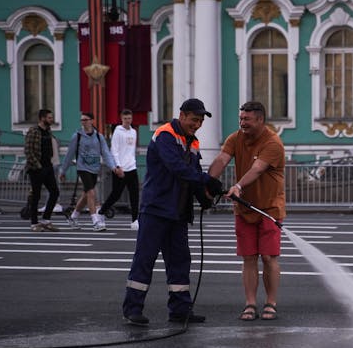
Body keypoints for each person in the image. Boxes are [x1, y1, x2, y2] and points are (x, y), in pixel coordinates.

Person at [122, 98, 223, 326]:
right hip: (156, 209)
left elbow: (193, 173)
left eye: (200, 122)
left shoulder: (192, 142)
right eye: (194, 120)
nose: (196, 125)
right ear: (182, 115)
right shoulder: (165, 135)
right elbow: (177, 168)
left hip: (177, 213)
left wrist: (204, 196)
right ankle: (132, 309)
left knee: (180, 261)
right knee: (145, 259)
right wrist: (208, 179)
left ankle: (180, 310)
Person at [208, 101, 285, 322]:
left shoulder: (273, 142)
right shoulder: (235, 138)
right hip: (244, 208)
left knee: (269, 257)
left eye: (247, 119)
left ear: (260, 120)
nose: (242, 123)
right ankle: (250, 303)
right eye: (241, 118)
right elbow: (222, 159)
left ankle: (271, 302)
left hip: (270, 208)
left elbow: (257, 168)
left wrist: (238, 187)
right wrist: (206, 183)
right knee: (248, 257)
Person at [59, 112, 123, 231]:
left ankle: (73, 217)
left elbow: (106, 153)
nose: (83, 122)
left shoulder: (99, 137)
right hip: (82, 168)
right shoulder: (77, 136)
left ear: (92, 121)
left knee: (86, 195)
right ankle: (95, 221)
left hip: (94, 169)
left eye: (86, 120)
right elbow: (69, 155)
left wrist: (114, 167)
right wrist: (63, 171)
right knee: (91, 193)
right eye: (82, 120)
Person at [99, 109, 141, 230]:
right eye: (125, 119)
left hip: (132, 167)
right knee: (116, 194)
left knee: (134, 195)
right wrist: (117, 166)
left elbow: (132, 150)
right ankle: (101, 211)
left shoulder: (133, 132)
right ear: (121, 119)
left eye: (129, 118)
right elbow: (114, 150)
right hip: (120, 169)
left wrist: (133, 163)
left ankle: (134, 220)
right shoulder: (117, 131)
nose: (128, 121)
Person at [24, 108, 61, 232]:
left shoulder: (48, 131)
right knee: (36, 196)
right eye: (49, 118)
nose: (51, 120)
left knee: (55, 192)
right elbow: (28, 151)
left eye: (52, 117)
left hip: (48, 166)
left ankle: (46, 220)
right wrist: (38, 166)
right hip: (36, 168)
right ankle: (34, 223)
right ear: (42, 118)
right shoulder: (33, 131)